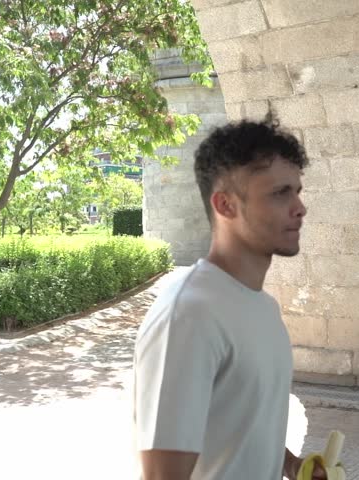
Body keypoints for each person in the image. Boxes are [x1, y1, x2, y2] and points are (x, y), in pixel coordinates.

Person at [132, 114, 327, 480]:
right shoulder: (189, 316)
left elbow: (239, 420)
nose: (300, 207)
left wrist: (290, 465)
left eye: (296, 190)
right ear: (225, 206)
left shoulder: (262, 306)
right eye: (279, 193)